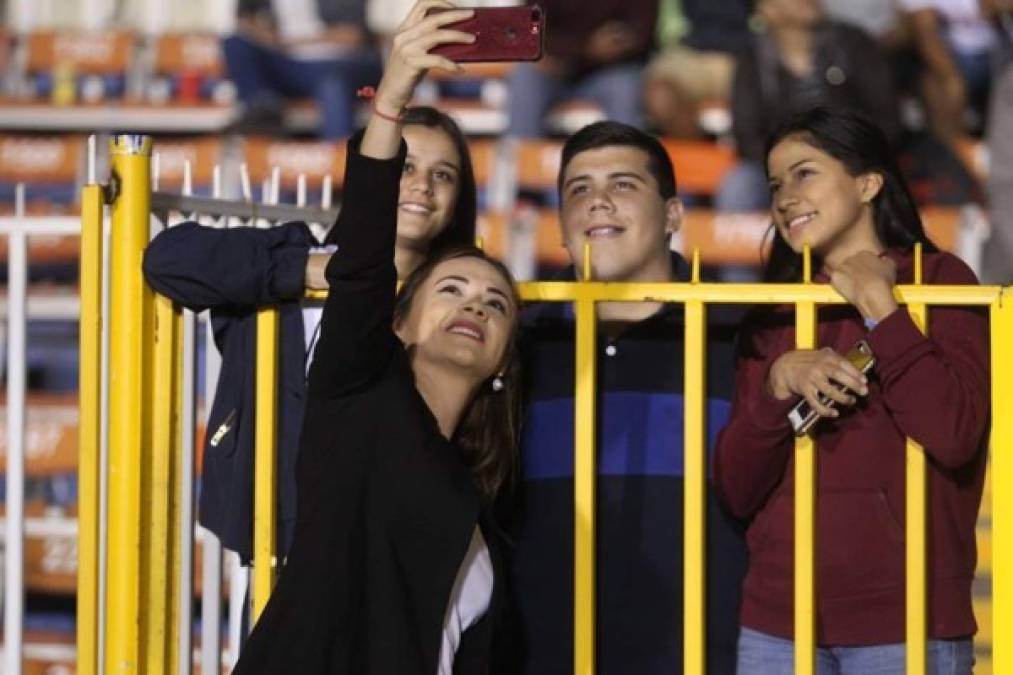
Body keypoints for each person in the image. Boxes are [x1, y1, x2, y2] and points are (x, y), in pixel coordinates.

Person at [230, 2, 523, 672]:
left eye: (495, 302)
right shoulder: (358, 390)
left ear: (507, 353)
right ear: (398, 319)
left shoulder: (482, 506)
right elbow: (361, 263)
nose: (472, 306)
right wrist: (391, 96)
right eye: (450, 289)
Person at [713, 106, 989, 674]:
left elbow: (954, 433)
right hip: (775, 622)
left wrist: (880, 310)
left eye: (804, 173)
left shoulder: (941, 280)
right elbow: (736, 490)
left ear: (867, 183)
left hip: (906, 620)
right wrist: (776, 383)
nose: (785, 196)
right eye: (774, 184)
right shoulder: (773, 311)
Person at [143, 109, 478, 562]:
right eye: (405, 166)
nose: (422, 184)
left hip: (399, 554)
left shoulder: (470, 302)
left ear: (459, 198)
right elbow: (167, 260)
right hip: (281, 550)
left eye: (444, 174)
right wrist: (303, 268)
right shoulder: (294, 259)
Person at [507, 120, 747, 674]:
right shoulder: (516, 342)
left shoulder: (739, 340)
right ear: (562, 225)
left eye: (622, 185)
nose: (597, 203)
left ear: (672, 215)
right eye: (579, 190)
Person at [717, 0, 899, 213]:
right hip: (778, 168)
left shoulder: (854, 43)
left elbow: (887, 120)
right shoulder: (753, 59)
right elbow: (746, 135)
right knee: (739, 185)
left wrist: (842, 156)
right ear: (767, 9)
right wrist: (792, 166)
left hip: (849, 160)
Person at [222, 0, 382, 139]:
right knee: (235, 43)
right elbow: (244, 22)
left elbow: (352, 35)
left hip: (339, 61)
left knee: (332, 83)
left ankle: (339, 160)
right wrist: (268, 38)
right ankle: (262, 107)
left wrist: (292, 42)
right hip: (288, 63)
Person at [505, 0, 658, 137]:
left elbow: (640, 33)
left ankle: (627, 161)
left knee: (625, 85)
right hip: (553, 71)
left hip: (608, 72)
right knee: (526, 76)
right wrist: (585, 49)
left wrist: (597, 50)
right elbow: (528, 30)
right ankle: (522, 160)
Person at [643, 0, 751, 139]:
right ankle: (693, 155)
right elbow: (668, 31)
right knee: (661, 97)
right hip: (688, 53)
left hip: (743, 54)